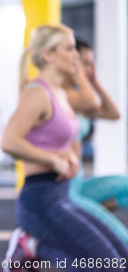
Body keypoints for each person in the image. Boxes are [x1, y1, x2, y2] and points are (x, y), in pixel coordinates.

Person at [0, 25, 128, 272]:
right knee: (107, 266)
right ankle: (32, 245)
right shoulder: (37, 93)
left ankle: (33, 246)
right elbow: (8, 141)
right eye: (69, 49)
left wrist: (67, 154)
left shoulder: (59, 93)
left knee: (119, 260)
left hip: (64, 194)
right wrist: (53, 159)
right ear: (48, 55)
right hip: (40, 199)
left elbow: (59, 134)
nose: (76, 57)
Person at [64, 38, 128, 245]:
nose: (88, 68)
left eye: (91, 63)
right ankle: (81, 218)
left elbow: (113, 114)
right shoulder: (62, 96)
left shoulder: (79, 98)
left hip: (78, 182)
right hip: (64, 189)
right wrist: (82, 77)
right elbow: (90, 102)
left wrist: (95, 80)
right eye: (84, 62)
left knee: (125, 186)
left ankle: (83, 218)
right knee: (122, 243)